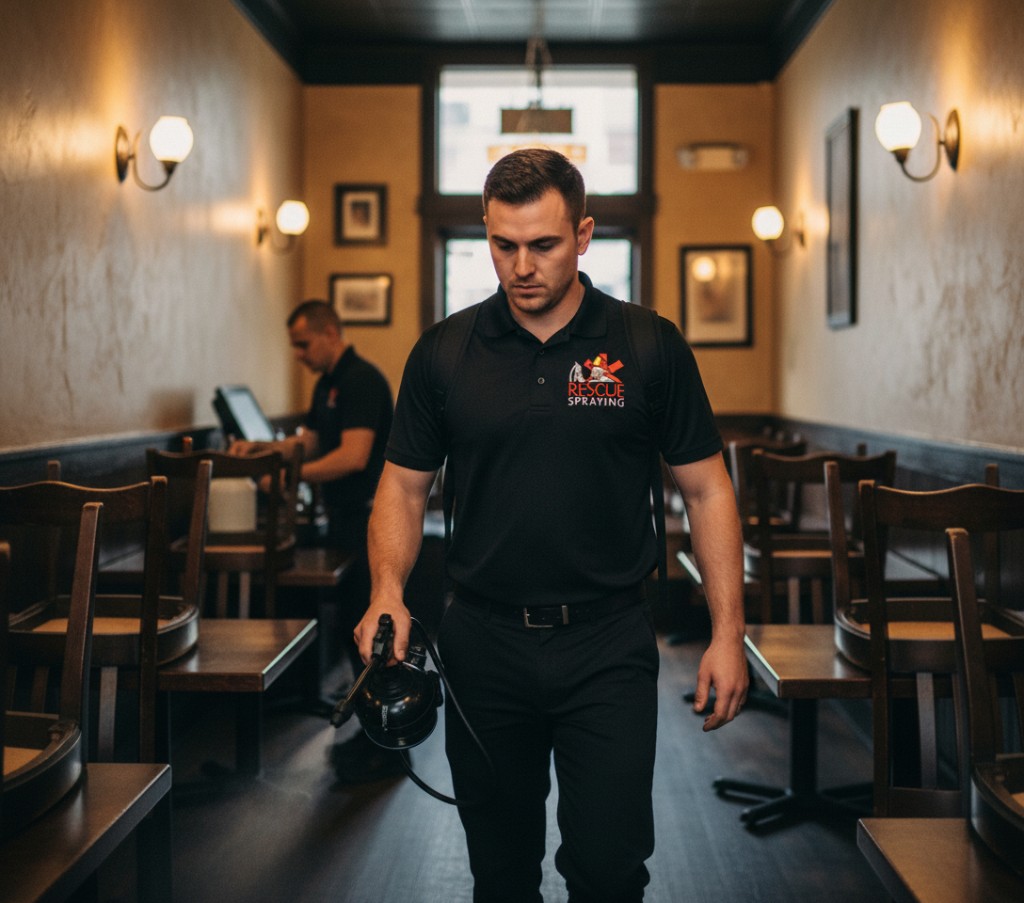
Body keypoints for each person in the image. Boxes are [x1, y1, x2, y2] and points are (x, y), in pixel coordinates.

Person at [354, 148, 747, 902]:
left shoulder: (647, 345)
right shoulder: (444, 351)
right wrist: (385, 590)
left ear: (585, 234)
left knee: (608, 869)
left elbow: (706, 490)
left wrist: (727, 632)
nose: (521, 265)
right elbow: (402, 489)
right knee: (500, 874)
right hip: (483, 641)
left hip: (609, 642)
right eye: (503, 244)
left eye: (543, 244)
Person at [234, 299, 395, 780]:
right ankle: (371, 736)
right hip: (343, 521)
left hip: (368, 521)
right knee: (353, 630)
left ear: (330, 332)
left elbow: (351, 456)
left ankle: (387, 746)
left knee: (373, 639)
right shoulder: (328, 383)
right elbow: (312, 440)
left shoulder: (360, 380)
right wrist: (265, 450)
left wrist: (290, 478)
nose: (299, 354)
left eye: (303, 344)